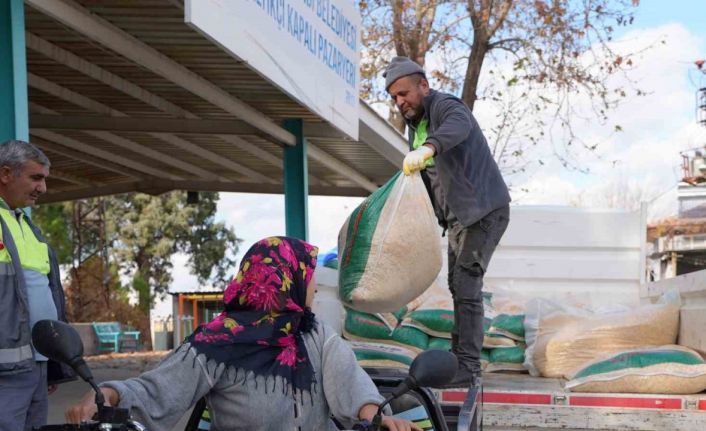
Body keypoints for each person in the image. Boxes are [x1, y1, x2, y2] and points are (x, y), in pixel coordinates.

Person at [67, 236, 420, 431]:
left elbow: (350, 382)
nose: (312, 288)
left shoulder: (316, 334)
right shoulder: (215, 343)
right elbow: (158, 390)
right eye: (308, 279)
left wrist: (377, 417)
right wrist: (108, 395)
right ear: (287, 282)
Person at [384, 57, 512, 387]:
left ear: (423, 86)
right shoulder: (416, 126)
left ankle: (468, 368)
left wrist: (428, 148)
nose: (400, 102)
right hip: (458, 220)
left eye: (404, 93)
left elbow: (459, 127)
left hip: (484, 211)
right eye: (394, 97)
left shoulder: (445, 106)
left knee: (467, 283)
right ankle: (459, 362)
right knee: (458, 286)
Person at [0, 139, 74, 430]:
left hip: (36, 364)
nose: (42, 188)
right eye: (36, 178)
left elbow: (47, 293)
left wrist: (52, 362)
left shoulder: (27, 227)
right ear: (6, 174)